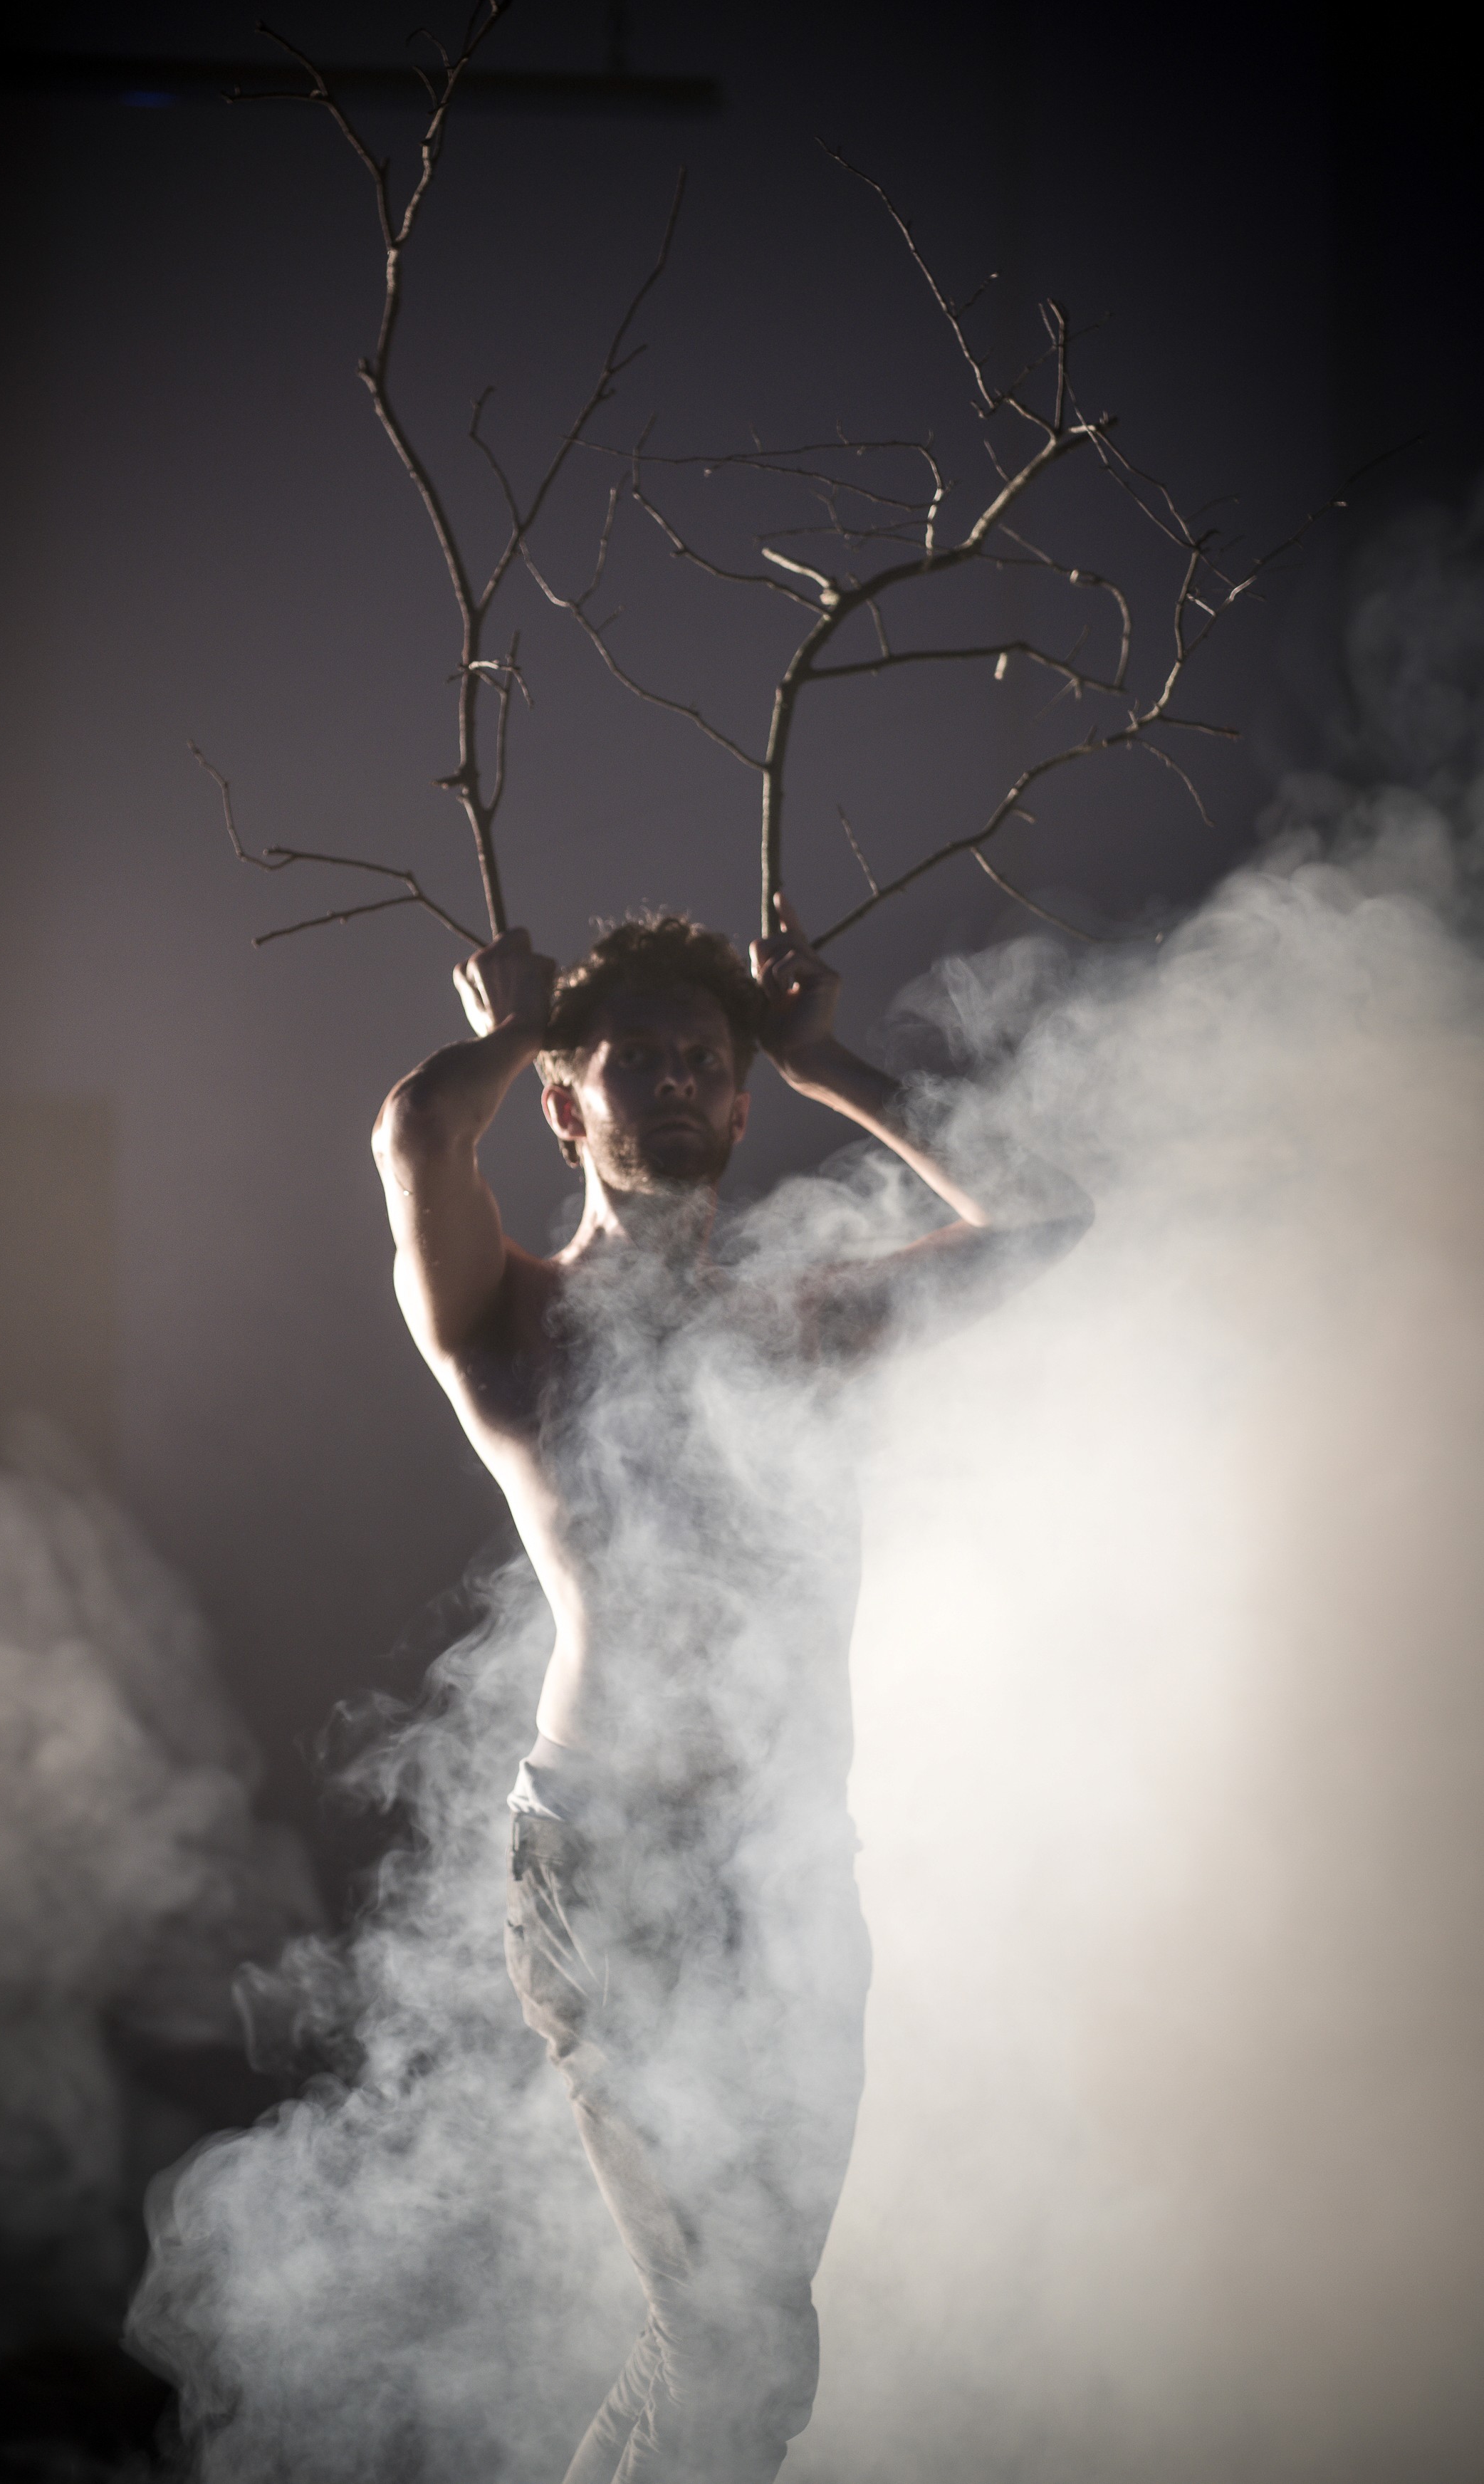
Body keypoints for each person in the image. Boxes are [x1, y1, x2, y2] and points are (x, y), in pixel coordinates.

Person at [372, 899, 1090, 2484]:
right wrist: (517, 1026)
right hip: (610, 1862)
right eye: (636, 1062)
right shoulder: (511, 1324)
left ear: (745, 1102)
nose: (682, 1085)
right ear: (566, 1107)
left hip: (788, 1868)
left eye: (707, 1060)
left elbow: (1051, 1213)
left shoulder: (803, 1324)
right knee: (735, 2347)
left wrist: (823, 1060)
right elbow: (417, 1130)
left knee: (744, 2353)